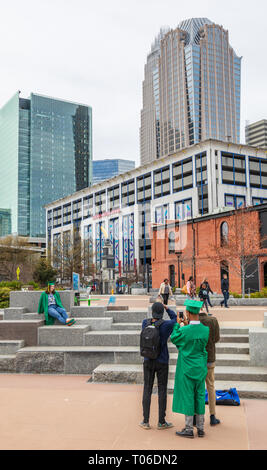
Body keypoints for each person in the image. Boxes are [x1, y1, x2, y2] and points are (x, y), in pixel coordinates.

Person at [171, 299, 209, 438]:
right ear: (198, 312)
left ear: (187, 312)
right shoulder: (206, 330)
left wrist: (177, 324)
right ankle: (200, 428)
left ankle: (188, 428)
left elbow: (175, 337)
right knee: (199, 395)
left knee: (188, 396)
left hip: (187, 367)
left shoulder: (184, 330)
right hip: (200, 367)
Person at [140, 301, 177, 430]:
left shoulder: (145, 323)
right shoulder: (166, 325)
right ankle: (161, 421)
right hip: (162, 361)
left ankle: (145, 421)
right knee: (162, 390)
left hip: (148, 359)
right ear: (162, 312)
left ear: (152, 312)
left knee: (147, 388)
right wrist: (168, 309)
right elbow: (175, 318)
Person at [199, 309, 221, 426]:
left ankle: (197, 415)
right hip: (210, 357)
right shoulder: (213, 320)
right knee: (211, 387)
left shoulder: (194, 321)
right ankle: (212, 416)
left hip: (197, 359)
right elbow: (217, 338)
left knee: (198, 388)